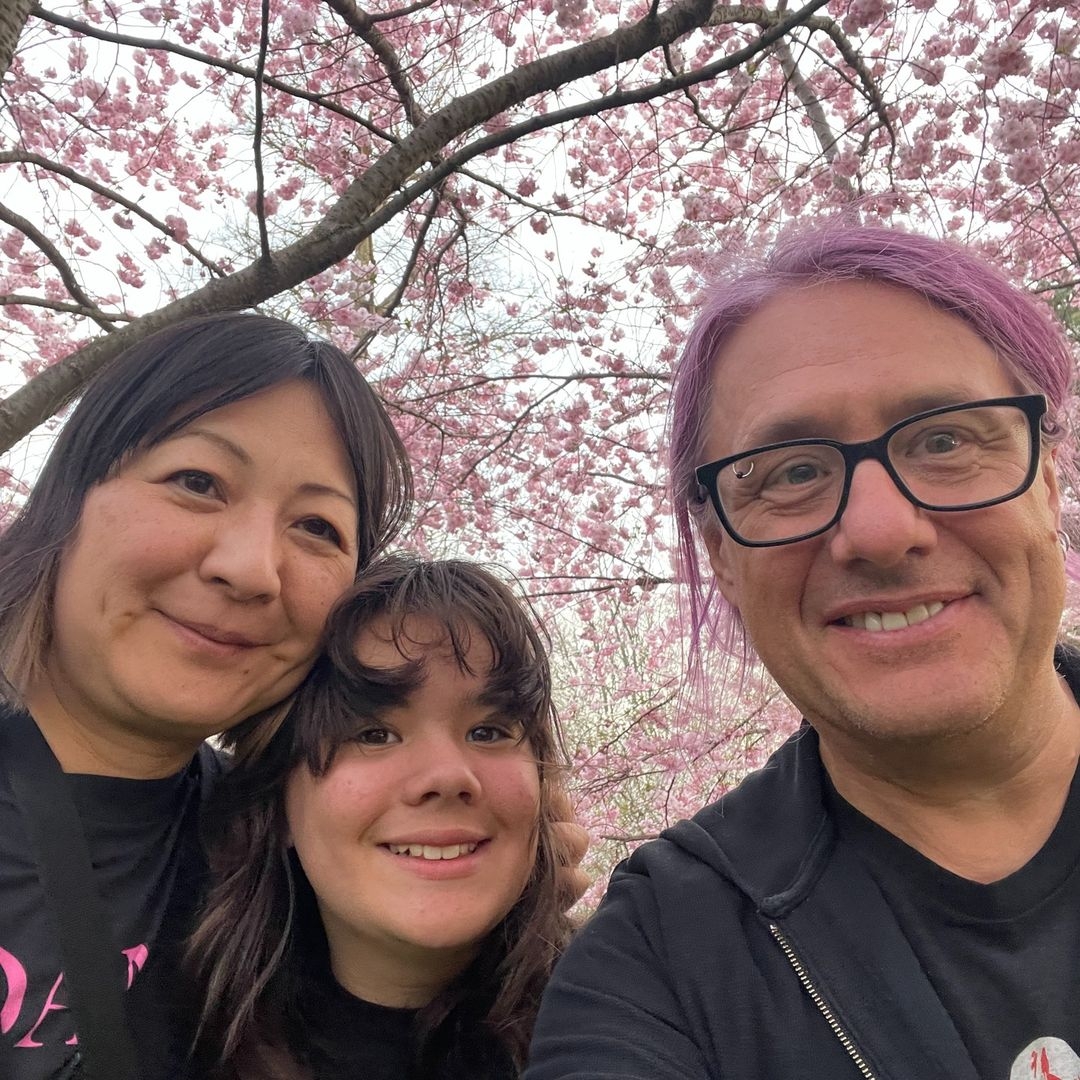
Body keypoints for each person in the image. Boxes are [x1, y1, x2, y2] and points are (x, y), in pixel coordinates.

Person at [525, 223, 1080, 1079]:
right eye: (790, 472)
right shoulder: (662, 958)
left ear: (1046, 481)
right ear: (721, 558)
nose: (882, 532)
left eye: (944, 440)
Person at [0, 310, 412, 1080]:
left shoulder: (287, 869)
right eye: (198, 482)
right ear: (73, 494)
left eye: (318, 529)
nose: (252, 569)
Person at [187, 554, 574, 1080]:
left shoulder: (641, 1022)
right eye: (373, 734)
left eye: (489, 731)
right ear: (276, 805)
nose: (447, 776)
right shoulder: (167, 1040)